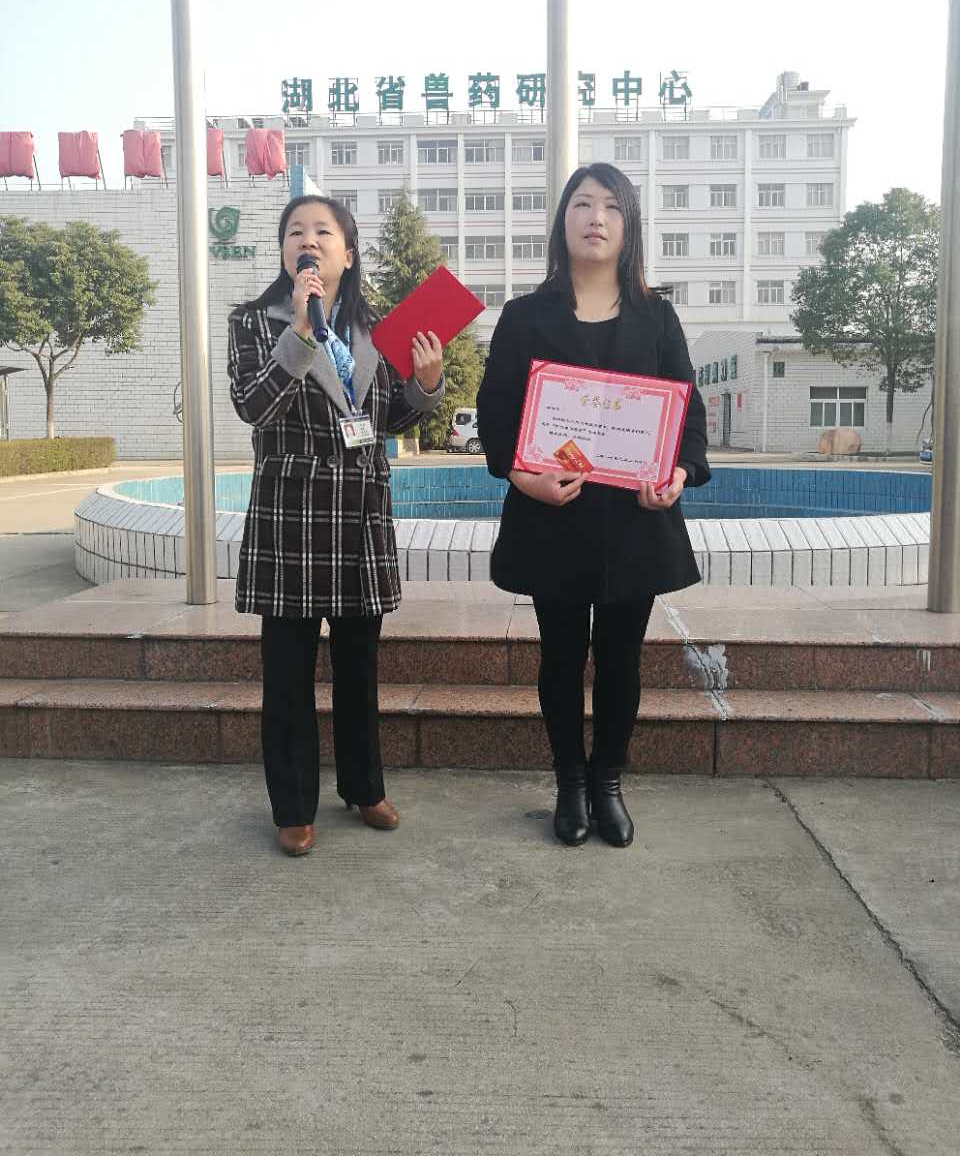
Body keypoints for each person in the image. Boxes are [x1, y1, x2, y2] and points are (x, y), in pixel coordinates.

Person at [476, 163, 710, 849]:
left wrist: (678, 471)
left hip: (634, 521)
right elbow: (497, 413)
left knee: (621, 659)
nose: (596, 217)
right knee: (559, 656)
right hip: (553, 517)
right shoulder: (525, 316)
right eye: (582, 204)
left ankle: (608, 781)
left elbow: (687, 412)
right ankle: (569, 783)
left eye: (611, 206)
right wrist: (523, 478)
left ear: (629, 225)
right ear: (563, 222)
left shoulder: (657, 317)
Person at [228, 195, 444, 857]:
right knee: (287, 675)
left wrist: (426, 385)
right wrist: (299, 331)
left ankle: (363, 785)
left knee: (359, 667)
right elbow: (252, 406)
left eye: (324, 231)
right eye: (296, 231)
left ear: (348, 254)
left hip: (360, 513)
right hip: (290, 516)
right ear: (285, 252)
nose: (309, 240)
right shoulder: (253, 322)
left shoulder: (377, 329)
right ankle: (293, 806)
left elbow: (384, 419)